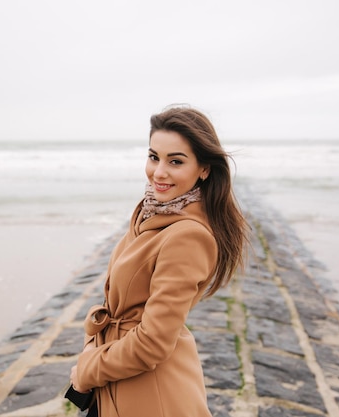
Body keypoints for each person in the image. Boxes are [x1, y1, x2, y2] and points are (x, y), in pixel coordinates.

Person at [69, 105, 249, 417]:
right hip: (115, 376)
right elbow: (118, 301)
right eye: (154, 157)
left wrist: (86, 370)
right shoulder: (150, 213)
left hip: (150, 394)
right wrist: (91, 344)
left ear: (204, 169)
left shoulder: (188, 236)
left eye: (175, 161)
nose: (159, 172)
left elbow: (153, 342)